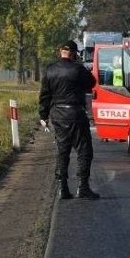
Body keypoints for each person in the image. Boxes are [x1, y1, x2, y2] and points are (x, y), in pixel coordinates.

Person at [38, 40, 99, 199]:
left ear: (60, 51)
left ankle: (62, 188)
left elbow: (45, 95)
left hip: (58, 114)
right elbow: (91, 83)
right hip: (76, 114)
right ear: (74, 53)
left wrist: (43, 115)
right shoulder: (78, 69)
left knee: (62, 150)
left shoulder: (50, 70)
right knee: (84, 150)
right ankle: (83, 186)